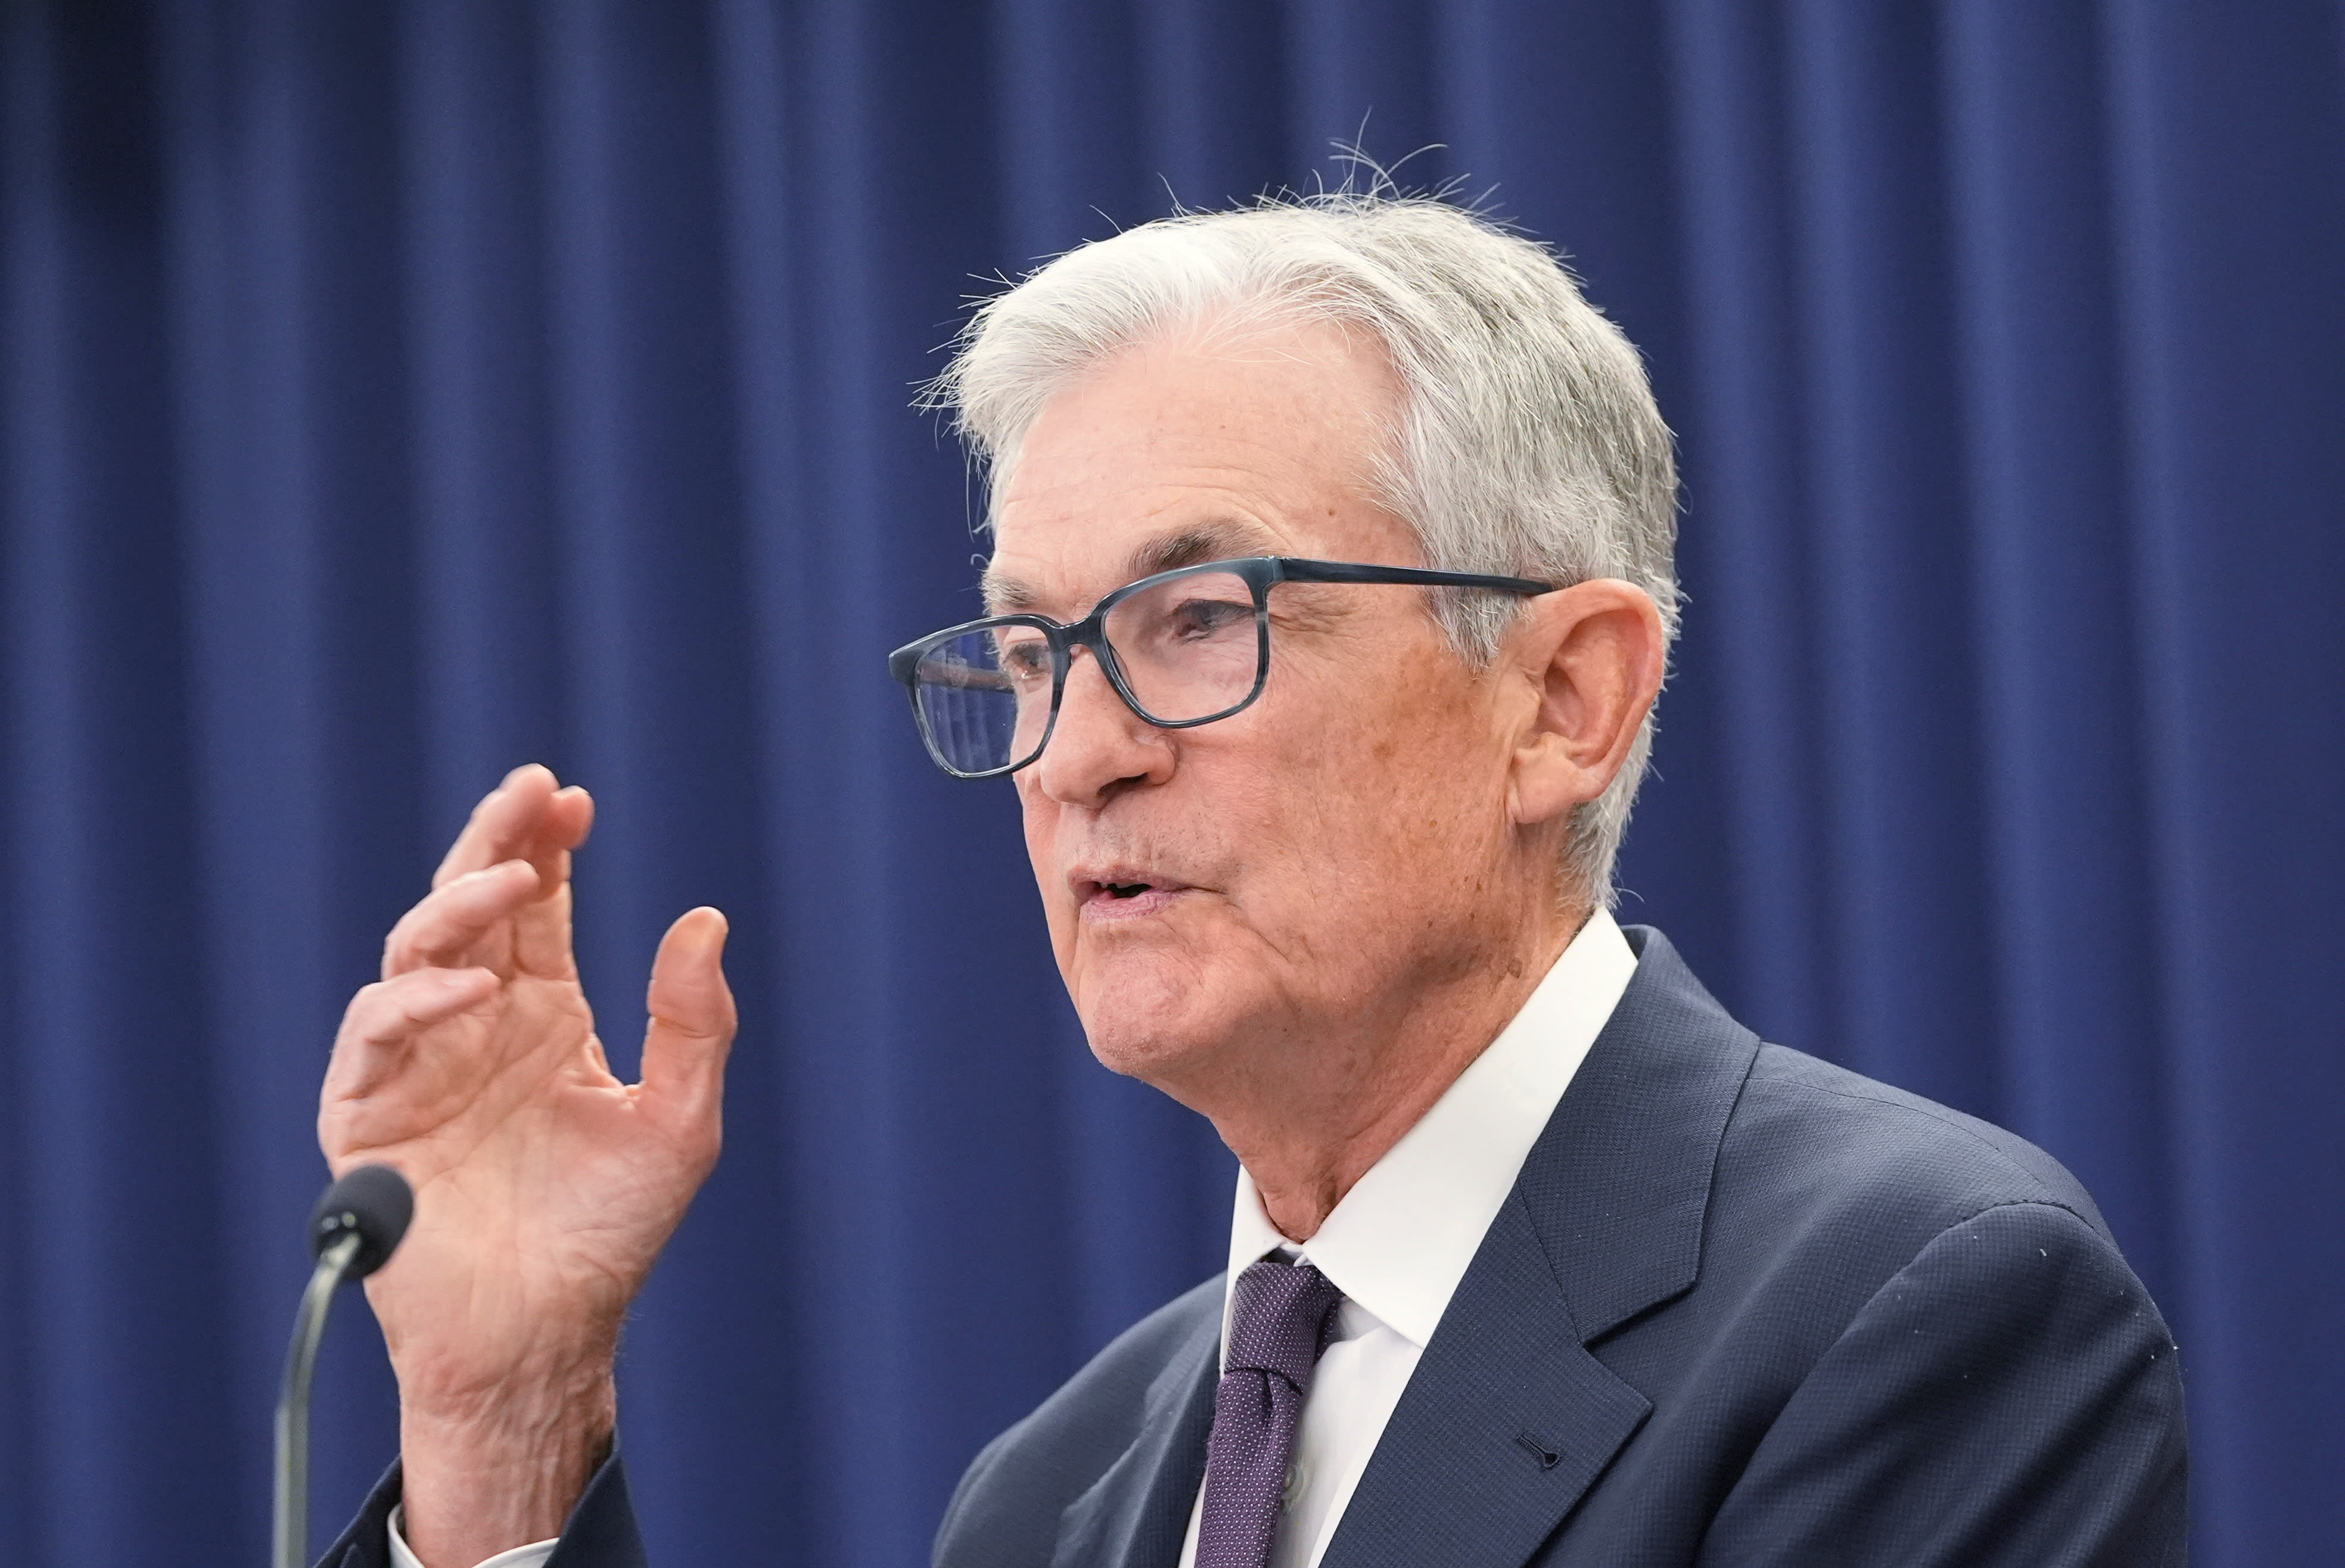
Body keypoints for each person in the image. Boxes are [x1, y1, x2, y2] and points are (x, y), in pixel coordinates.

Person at [317, 195, 2188, 1568]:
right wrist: (508, 1421)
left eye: (1200, 618)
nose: (1076, 753)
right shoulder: (1056, 1496)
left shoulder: (1912, 1310)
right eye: (1032, 654)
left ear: (1563, 698)